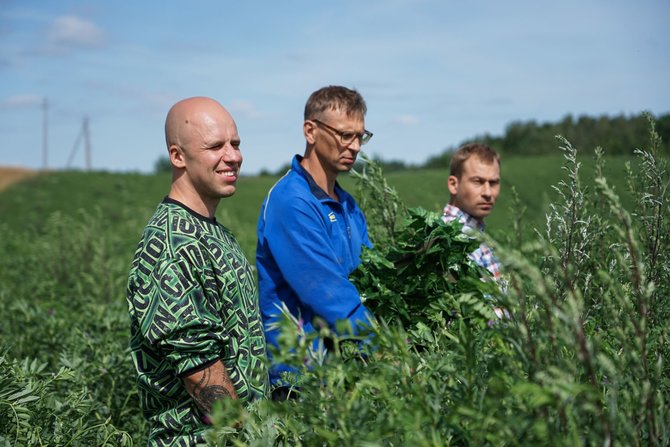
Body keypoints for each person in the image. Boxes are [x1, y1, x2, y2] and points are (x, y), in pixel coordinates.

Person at [126, 97, 268, 446]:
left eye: (235, 144)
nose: (233, 156)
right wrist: (247, 435)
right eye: (215, 146)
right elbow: (199, 371)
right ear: (177, 156)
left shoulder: (209, 229)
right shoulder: (173, 245)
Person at [256, 85, 375, 397]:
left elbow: (371, 278)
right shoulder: (291, 201)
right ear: (310, 131)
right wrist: (385, 348)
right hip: (301, 376)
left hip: (343, 368)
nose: (355, 146)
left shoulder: (347, 204)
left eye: (360, 136)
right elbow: (327, 294)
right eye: (344, 135)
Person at [442, 142, 505, 292]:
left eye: (494, 183)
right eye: (478, 181)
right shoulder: (454, 238)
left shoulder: (475, 234)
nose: (488, 193)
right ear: (453, 185)